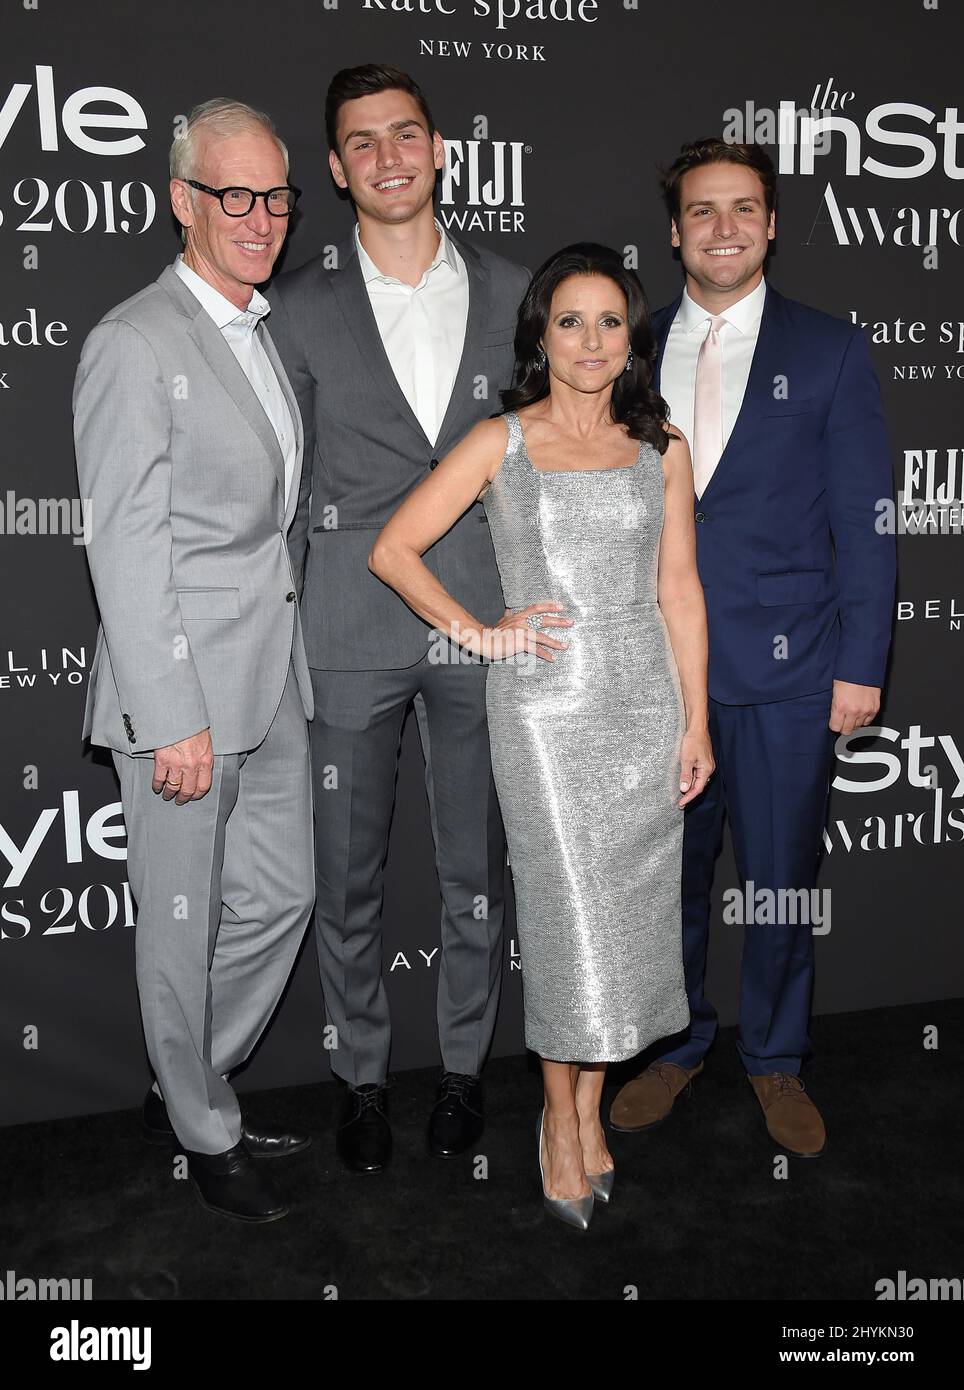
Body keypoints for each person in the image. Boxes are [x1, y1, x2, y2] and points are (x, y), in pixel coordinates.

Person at [370, 244, 714, 1228]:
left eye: (611, 321)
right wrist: (481, 633)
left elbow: (679, 591)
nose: (591, 340)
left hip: (644, 709)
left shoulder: (663, 448)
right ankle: (558, 1118)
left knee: (629, 928)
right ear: (539, 334)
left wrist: (694, 719)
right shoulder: (501, 442)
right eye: (571, 320)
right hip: (546, 712)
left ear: (632, 338)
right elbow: (392, 548)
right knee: (568, 929)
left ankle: (590, 1103)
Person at [266, 65, 530, 1175]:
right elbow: (279, 487)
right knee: (347, 873)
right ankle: (361, 1082)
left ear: (438, 150)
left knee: (476, 868)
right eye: (361, 142)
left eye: (405, 135)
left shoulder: (523, 292)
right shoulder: (296, 310)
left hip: (482, 623)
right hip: (347, 625)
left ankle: (464, 1071)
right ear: (336, 169)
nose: (387, 157)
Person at [610, 139, 897, 1156]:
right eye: (701, 210)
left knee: (777, 876)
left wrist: (861, 662)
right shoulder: (626, 348)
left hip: (787, 674)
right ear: (674, 230)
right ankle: (678, 1043)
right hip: (655, 675)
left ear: (770, 225)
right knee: (668, 880)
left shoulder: (828, 350)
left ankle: (775, 1058)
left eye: (743, 209)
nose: (722, 227)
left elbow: (865, 520)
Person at [73, 98, 315, 1223]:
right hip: (180, 693)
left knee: (281, 896)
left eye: (274, 195)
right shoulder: (134, 341)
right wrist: (171, 712)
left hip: (272, 674)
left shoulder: (259, 330)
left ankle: (189, 1080)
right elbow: (124, 542)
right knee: (179, 922)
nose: (259, 216)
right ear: (182, 201)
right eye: (234, 195)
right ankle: (202, 1126)